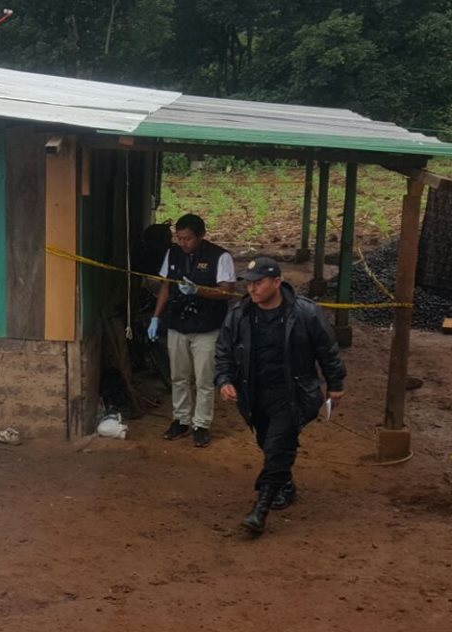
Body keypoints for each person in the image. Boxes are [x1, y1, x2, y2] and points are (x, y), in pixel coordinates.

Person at [214, 257, 346, 535]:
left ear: (277, 282)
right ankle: (284, 483)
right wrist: (224, 380)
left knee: (277, 445)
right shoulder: (239, 315)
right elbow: (224, 350)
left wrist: (335, 383)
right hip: (254, 393)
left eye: (258, 283)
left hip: (293, 392)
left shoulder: (305, 313)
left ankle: (260, 510)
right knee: (268, 442)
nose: (252, 289)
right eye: (249, 284)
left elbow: (327, 349)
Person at [147, 213, 236, 447]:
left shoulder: (220, 257)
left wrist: (199, 290)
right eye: (179, 238)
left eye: (188, 239)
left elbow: (227, 291)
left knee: (204, 379)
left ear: (201, 236)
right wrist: (155, 317)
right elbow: (166, 286)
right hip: (177, 324)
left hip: (207, 327)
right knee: (179, 377)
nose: (183, 243)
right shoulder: (173, 253)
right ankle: (181, 420)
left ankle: (201, 424)